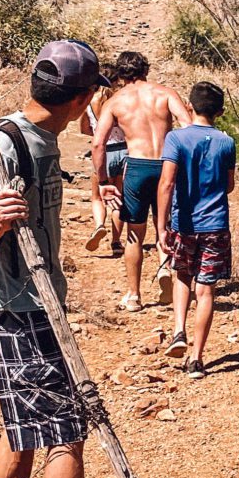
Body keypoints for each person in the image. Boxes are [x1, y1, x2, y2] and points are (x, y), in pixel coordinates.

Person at [0, 39, 134, 478]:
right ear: (84, 98)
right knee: (66, 431)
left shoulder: (41, 141)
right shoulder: (3, 145)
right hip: (22, 310)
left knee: (21, 422)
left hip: (31, 306)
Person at [90, 50, 194, 313]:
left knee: (134, 234)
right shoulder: (166, 93)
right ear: (146, 70)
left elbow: (98, 143)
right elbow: (189, 126)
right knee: (167, 225)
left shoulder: (115, 102)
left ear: (121, 74)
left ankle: (134, 295)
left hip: (137, 166)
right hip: (168, 165)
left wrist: (103, 181)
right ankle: (165, 271)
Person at [157, 81, 237, 374]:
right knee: (206, 291)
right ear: (221, 112)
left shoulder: (176, 139)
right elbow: (228, 185)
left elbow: (166, 183)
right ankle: (197, 358)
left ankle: (179, 329)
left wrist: (161, 227)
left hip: (183, 222)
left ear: (189, 107)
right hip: (215, 224)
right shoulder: (227, 142)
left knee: (182, 275)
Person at [81, 70, 129, 257]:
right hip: (124, 150)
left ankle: (99, 225)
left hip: (103, 151)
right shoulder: (120, 101)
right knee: (119, 199)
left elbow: (85, 129)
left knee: (97, 196)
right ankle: (116, 242)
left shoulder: (89, 102)